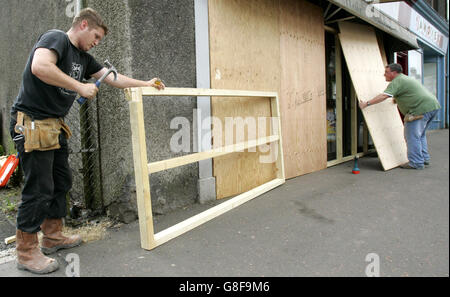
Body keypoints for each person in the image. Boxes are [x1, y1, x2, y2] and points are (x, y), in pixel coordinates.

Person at [9, 8, 165, 274]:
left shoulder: (84, 58)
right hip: (33, 122)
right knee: (39, 187)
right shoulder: (56, 38)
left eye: (99, 40)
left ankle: (52, 236)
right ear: (83, 25)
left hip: (54, 124)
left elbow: (113, 78)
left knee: (61, 180)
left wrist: (145, 83)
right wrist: (79, 86)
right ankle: (25, 252)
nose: (97, 42)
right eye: (96, 36)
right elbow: (40, 66)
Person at [359, 63, 440, 170]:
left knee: (412, 136)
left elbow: (384, 96)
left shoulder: (397, 81)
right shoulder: (404, 79)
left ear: (394, 73)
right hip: (432, 106)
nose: (384, 74)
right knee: (420, 135)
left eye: (386, 72)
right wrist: (397, 99)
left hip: (419, 110)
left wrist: (366, 103)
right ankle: (424, 158)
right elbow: (407, 93)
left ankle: (416, 163)